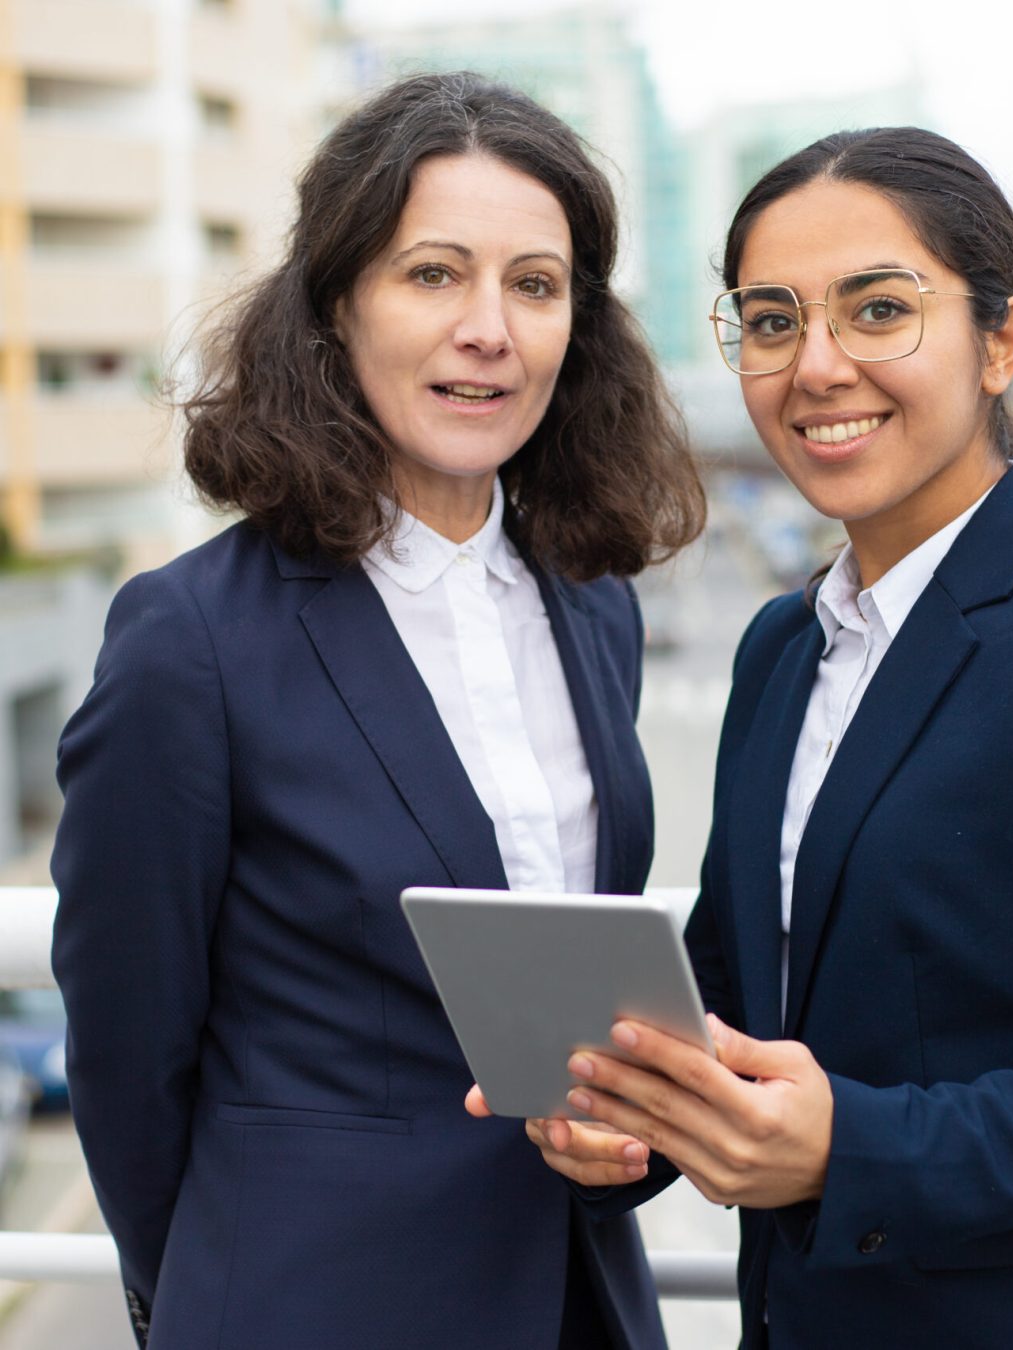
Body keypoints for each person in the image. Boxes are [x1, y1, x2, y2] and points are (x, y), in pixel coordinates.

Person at [50, 71, 704, 1350]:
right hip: (308, 1305)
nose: (489, 330)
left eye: (534, 283)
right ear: (337, 304)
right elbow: (127, 1058)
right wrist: (197, 1295)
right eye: (432, 274)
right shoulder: (190, 642)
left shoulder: (594, 607)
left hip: (583, 1302)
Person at [511, 126, 1013, 1347]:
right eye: (770, 322)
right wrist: (637, 1119)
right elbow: (737, 982)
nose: (816, 366)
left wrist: (847, 1148)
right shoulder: (785, 645)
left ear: (1002, 342)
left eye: (879, 310)